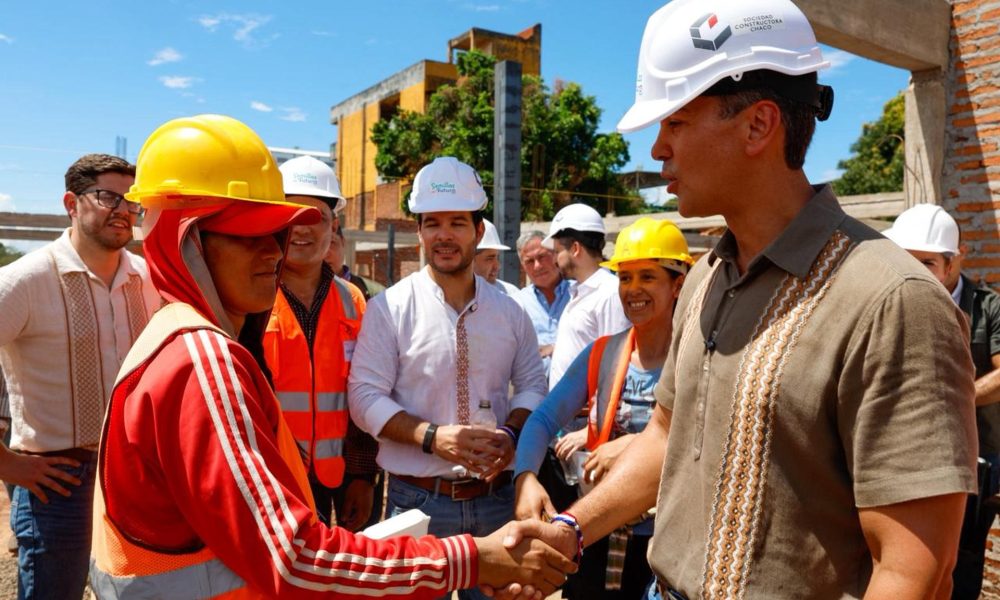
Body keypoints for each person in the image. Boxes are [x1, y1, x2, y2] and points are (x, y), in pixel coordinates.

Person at [503, 1, 978, 598]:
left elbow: (913, 568)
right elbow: (666, 437)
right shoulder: (705, 279)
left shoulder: (893, 301)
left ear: (758, 124)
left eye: (675, 123)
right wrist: (572, 529)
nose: (657, 150)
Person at [89, 115, 574, 599]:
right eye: (248, 235)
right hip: (372, 496)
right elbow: (297, 558)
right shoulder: (204, 358)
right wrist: (467, 552)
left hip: (330, 486)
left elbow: (531, 381)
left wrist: (505, 439)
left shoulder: (339, 305)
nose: (274, 253)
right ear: (187, 240)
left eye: (276, 234)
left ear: (478, 229)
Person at [348, 156, 548, 600]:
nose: (444, 235)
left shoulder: (510, 310)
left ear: (479, 231)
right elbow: (363, 395)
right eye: (432, 223)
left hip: (495, 499)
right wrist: (432, 437)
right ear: (419, 231)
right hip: (418, 502)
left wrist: (512, 432)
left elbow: (534, 384)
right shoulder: (391, 308)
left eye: (458, 222)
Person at [0, 153, 159, 600]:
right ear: (71, 203)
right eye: (109, 196)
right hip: (58, 483)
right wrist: (7, 464)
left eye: (132, 201)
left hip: (134, 477)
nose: (124, 210)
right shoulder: (25, 280)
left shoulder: (148, 280)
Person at [515, 218, 691, 599]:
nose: (634, 290)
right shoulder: (604, 353)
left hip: (670, 544)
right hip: (598, 536)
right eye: (625, 278)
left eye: (648, 277)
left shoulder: (701, 359)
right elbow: (542, 420)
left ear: (678, 284)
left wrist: (629, 445)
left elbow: (706, 436)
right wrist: (525, 477)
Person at [883, 204, 1000, 599]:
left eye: (927, 263)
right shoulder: (890, 303)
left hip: (976, 460)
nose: (914, 272)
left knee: (960, 563)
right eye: (906, 261)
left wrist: (950, 397)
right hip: (906, 458)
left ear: (954, 262)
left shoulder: (988, 308)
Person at [261, 155, 380, 532]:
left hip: (341, 477)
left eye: (315, 216)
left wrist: (364, 477)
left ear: (334, 226)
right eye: (291, 214)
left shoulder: (354, 302)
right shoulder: (248, 298)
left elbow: (365, 394)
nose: (302, 229)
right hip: (271, 476)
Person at [545, 203, 629, 390]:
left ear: (575, 248)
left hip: (584, 418)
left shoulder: (609, 293)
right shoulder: (579, 292)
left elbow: (614, 366)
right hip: (568, 417)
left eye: (558, 252)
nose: (554, 260)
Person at [513, 232, 570, 379]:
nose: (537, 266)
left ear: (555, 255)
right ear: (522, 267)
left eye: (542, 257)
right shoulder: (517, 304)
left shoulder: (579, 293)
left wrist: (554, 349)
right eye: (530, 261)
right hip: (534, 395)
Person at [473, 219, 520, 295]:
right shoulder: (449, 298)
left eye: (497, 257)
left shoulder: (511, 294)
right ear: (469, 260)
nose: (498, 266)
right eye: (490, 258)